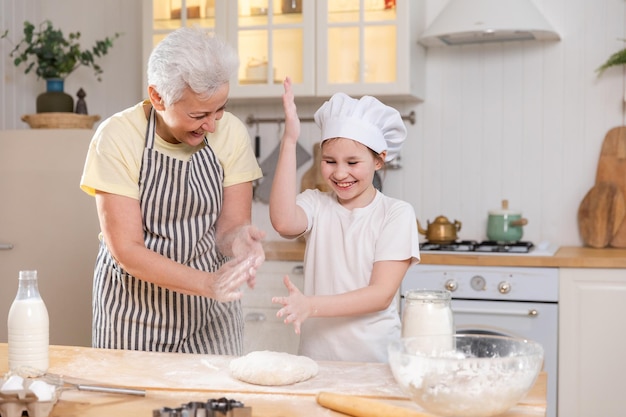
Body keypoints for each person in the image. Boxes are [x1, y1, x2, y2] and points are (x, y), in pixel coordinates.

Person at [80, 27, 265, 355]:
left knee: (217, 403)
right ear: (157, 97)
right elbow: (127, 249)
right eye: (198, 114)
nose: (212, 125)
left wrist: (241, 244)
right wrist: (209, 284)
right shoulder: (118, 138)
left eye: (219, 109)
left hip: (211, 316)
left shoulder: (231, 133)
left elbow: (229, 229)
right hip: (134, 314)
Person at [269, 78, 420, 362]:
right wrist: (289, 140)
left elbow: (380, 295)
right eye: (329, 161)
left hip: (374, 362)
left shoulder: (396, 214)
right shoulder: (315, 203)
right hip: (316, 359)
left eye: (352, 163)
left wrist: (310, 305)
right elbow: (283, 222)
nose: (340, 173)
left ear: (379, 160)